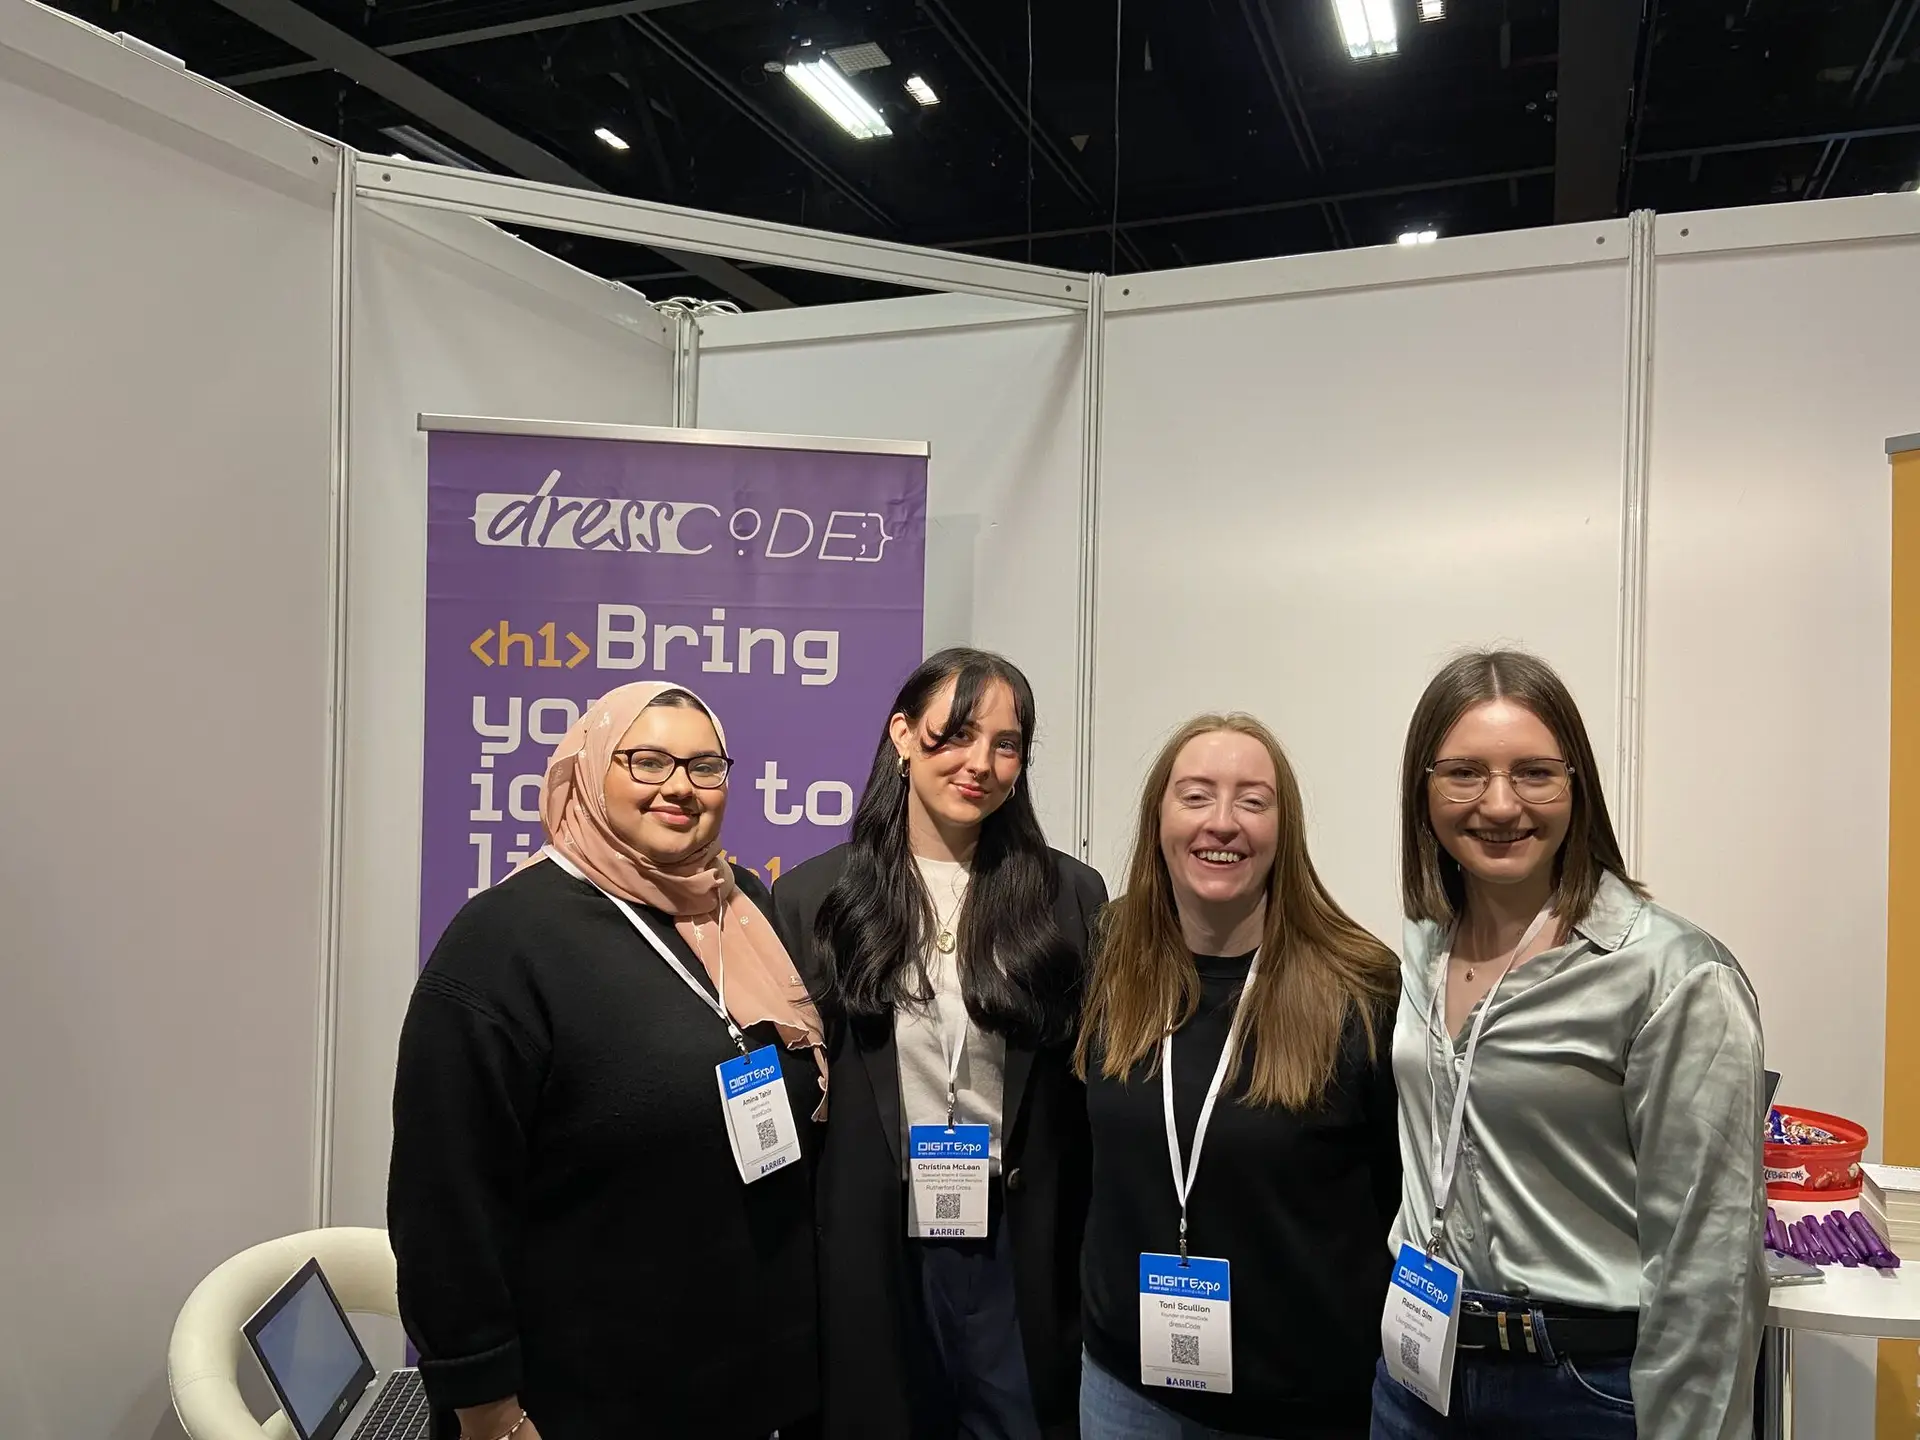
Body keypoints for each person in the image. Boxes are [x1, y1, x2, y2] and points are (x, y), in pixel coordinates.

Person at [388, 682, 827, 1440]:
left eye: (704, 766)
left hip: (751, 1387)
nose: (679, 787)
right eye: (648, 761)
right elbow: (446, 1200)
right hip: (586, 1400)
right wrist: (489, 1412)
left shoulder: (740, 905)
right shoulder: (504, 941)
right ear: (589, 768)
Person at [1370, 649, 1766, 1440]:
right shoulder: (1423, 947)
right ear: (1423, 789)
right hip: (1420, 1376)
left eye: (1534, 773)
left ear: (1576, 786)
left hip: (1584, 1390)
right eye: (1464, 773)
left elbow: (1709, 1260)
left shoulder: (1672, 975)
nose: (1500, 803)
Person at [773, 648, 1107, 1440]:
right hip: (873, 1240)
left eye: (1006, 744)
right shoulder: (816, 897)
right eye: (956, 735)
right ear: (902, 735)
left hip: (1015, 1241)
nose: (980, 764)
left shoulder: (1067, 895)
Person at [1076, 713, 1402, 1440]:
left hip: (1300, 1403)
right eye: (1195, 796)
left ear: (1285, 829)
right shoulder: (1105, 961)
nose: (1221, 822)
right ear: (1158, 818)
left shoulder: (1360, 986)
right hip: (1127, 1391)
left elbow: (1399, 1192)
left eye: (1252, 801)